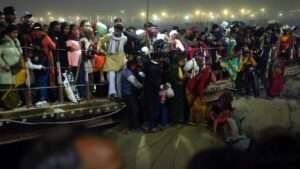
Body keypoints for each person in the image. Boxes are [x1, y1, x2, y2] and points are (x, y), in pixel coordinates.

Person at [98, 24, 127, 99]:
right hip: (110, 58)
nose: (117, 31)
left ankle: (119, 95)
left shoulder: (125, 38)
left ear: (121, 30)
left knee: (119, 79)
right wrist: (102, 51)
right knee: (111, 76)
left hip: (120, 59)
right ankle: (112, 94)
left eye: (118, 30)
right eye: (116, 29)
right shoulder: (109, 36)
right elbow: (100, 41)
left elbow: (123, 49)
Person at [30, 23, 56, 106]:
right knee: (43, 80)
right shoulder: (45, 37)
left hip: (34, 62)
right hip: (45, 61)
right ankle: (43, 98)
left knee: (37, 80)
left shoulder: (31, 37)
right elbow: (53, 47)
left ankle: (38, 98)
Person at [0, 24, 23, 109]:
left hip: (15, 69)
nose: (16, 34)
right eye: (14, 32)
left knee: (14, 88)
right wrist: (3, 65)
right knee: (6, 88)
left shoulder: (16, 41)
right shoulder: (2, 42)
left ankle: (12, 106)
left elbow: (20, 52)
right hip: (5, 70)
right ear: (9, 33)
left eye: (17, 32)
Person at [121, 59, 143, 133]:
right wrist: (143, 86)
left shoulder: (125, 71)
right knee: (135, 110)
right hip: (129, 94)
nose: (135, 67)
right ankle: (135, 126)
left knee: (128, 110)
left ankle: (128, 126)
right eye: (134, 65)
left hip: (125, 93)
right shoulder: (128, 73)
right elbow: (135, 83)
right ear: (131, 65)